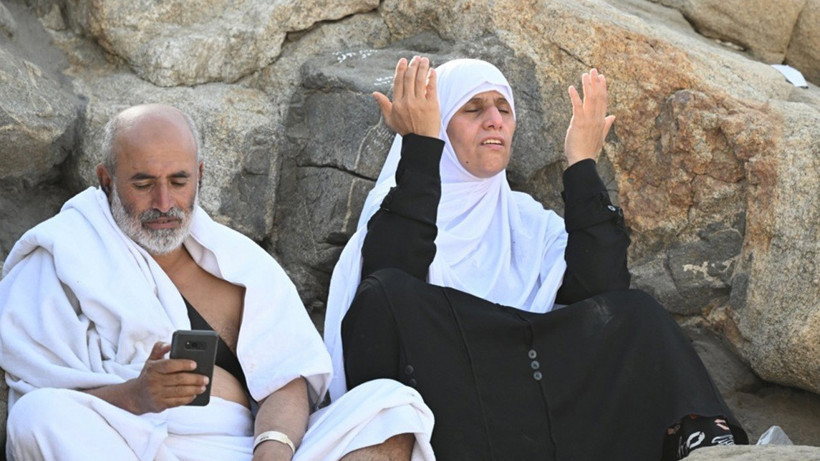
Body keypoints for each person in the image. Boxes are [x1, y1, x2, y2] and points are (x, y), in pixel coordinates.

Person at [323, 57, 749, 460]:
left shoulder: (527, 221)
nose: (495, 120)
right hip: (452, 405)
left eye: (504, 109)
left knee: (636, 311)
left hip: (535, 405)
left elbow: (602, 293)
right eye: (473, 108)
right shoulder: (397, 207)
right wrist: (420, 147)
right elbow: (389, 287)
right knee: (386, 292)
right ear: (439, 124)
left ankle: (703, 438)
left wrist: (582, 164)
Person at [0, 104, 435, 461]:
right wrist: (138, 396)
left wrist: (272, 451)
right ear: (105, 180)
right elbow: (38, 390)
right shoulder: (62, 253)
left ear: (200, 175)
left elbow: (288, 380)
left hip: (244, 448)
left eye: (178, 181)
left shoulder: (241, 263)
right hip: (127, 443)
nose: (164, 202)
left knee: (391, 406)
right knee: (38, 416)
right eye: (143, 183)